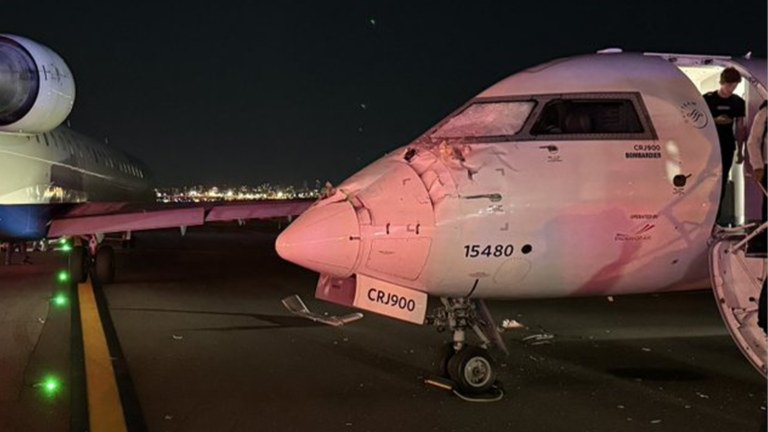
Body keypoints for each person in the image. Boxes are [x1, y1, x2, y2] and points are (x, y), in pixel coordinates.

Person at [703, 67, 747, 226]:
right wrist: (715, 121)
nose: (731, 89)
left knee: (722, 181)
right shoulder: (708, 100)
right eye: (729, 85)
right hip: (709, 145)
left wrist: (740, 151)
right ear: (722, 83)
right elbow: (699, 122)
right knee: (705, 178)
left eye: (734, 86)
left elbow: (740, 128)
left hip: (727, 145)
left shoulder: (737, 102)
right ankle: (702, 214)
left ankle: (716, 218)